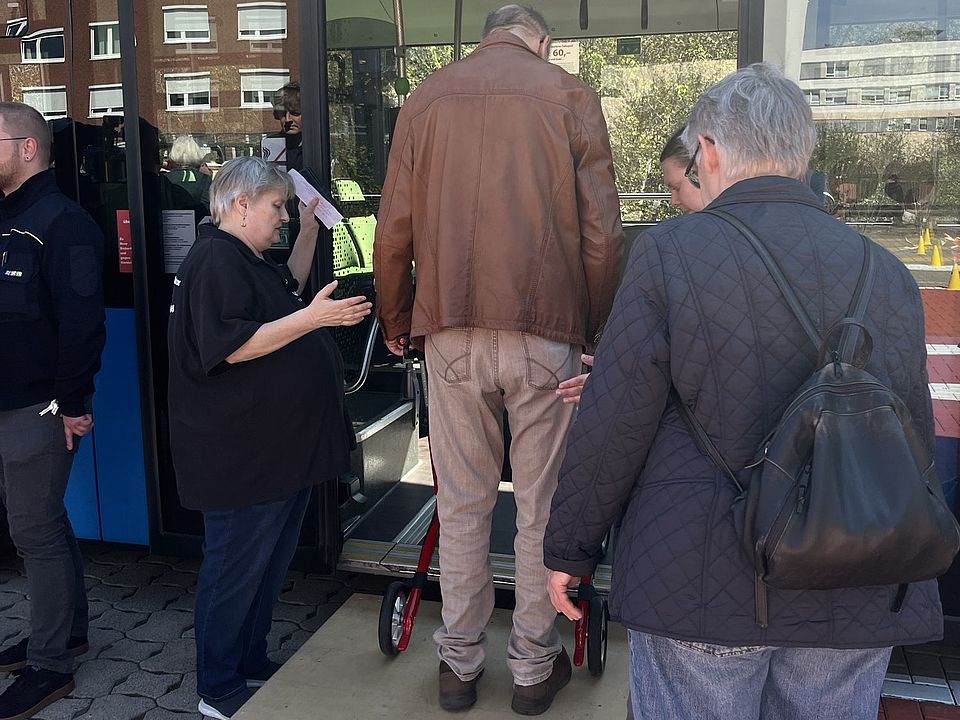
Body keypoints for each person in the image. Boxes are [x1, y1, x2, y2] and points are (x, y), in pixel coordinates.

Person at [544, 62, 943, 720]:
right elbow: (911, 441)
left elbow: (616, 421)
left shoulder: (671, 253)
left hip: (700, 580)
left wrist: (570, 550)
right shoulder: (888, 271)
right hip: (857, 582)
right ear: (802, 151)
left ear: (707, 151)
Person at [374, 5, 624, 715]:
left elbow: (395, 225)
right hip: (544, 332)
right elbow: (602, 233)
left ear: (487, 33)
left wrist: (397, 318)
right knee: (541, 508)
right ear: (540, 39)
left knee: (462, 506)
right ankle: (530, 672)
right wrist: (593, 329)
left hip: (448, 328)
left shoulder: (426, 96)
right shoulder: (570, 95)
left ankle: (457, 668)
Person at [167, 156, 371, 719]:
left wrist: (308, 231)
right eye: (277, 207)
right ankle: (218, 687)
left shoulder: (244, 258)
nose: (282, 217)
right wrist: (313, 321)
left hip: (276, 455)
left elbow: (290, 291)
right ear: (241, 205)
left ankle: (249, 662)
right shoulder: (214, 260)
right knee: (234, 571)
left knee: (263, 569)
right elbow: (231, 345)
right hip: (242, 458)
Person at [0, 102, 105, 719]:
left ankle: (49, 665)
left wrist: (74, 403)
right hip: (6, 403)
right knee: (42, 520)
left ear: (27, 148)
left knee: (32, 531)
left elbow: (82, 325)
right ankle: (68, 631)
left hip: (39, 409)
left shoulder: (65, 225)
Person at [557, 126, 703, 405]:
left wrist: (619, 377)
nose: (673, 201)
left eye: (675, 187)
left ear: (704, 167)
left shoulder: (667, 247)